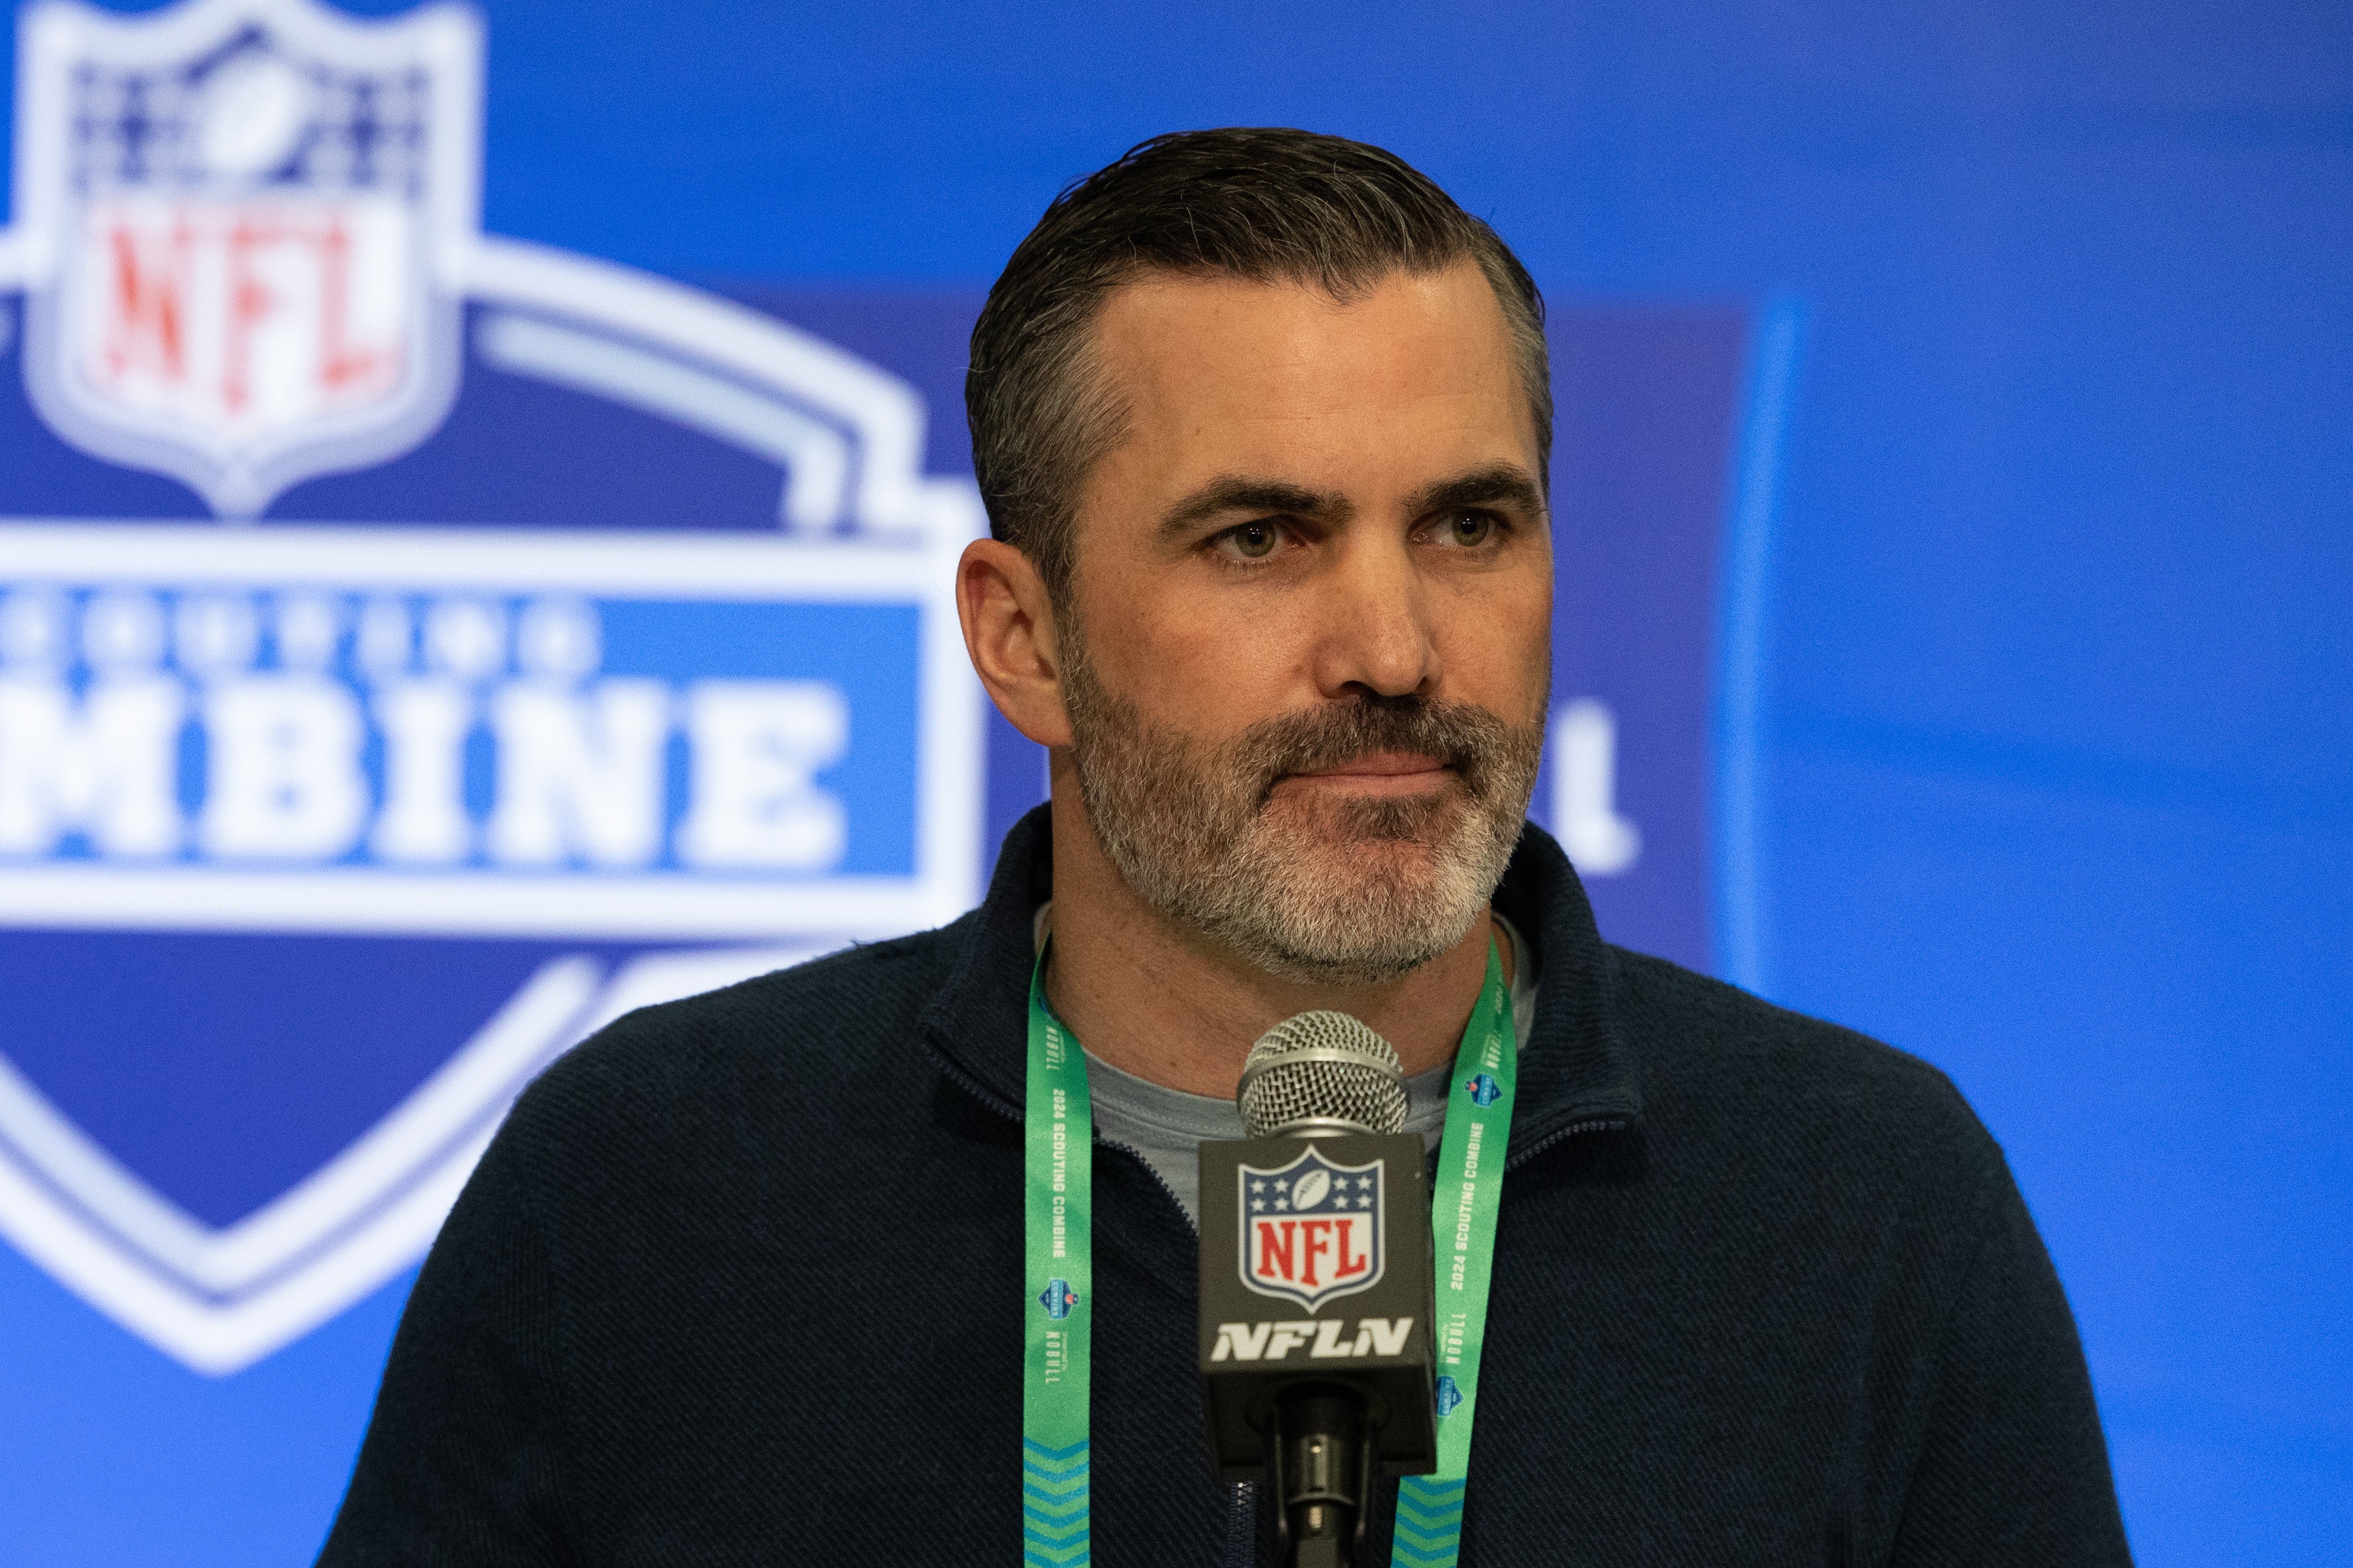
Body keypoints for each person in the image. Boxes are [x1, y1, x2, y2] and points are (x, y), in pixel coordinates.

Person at [318, 129, 2131, 1566]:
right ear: (1024, 638)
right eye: (1262, 538)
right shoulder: (654, 1183)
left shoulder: (1866, 1201)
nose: (1398, 649)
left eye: (1470, 525)